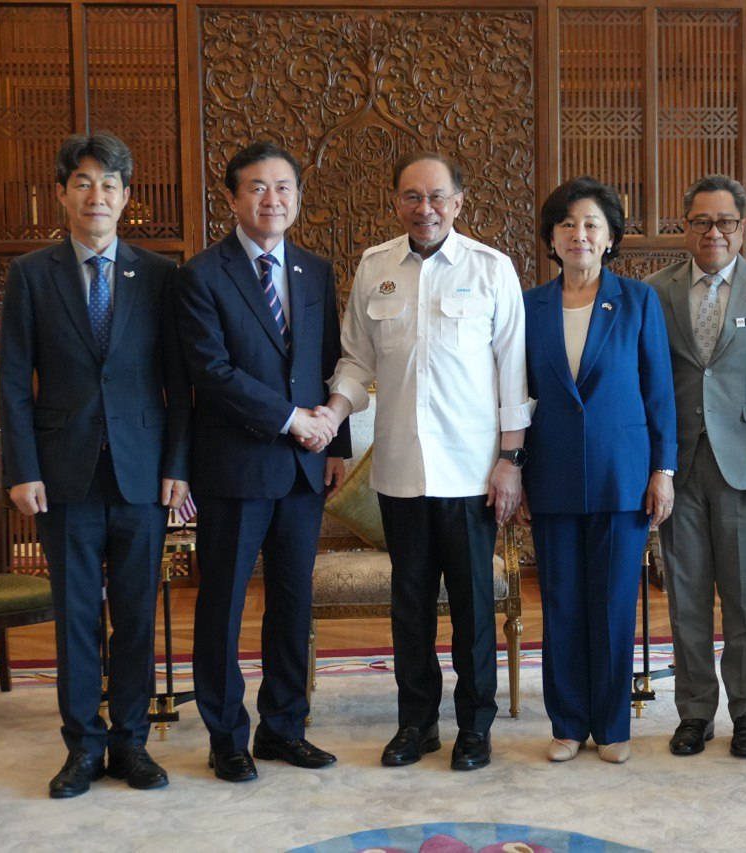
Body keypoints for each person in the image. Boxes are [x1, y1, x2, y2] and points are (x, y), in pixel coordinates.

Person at [320, 151, 532, 772]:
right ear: (396, 203)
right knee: (409, 608)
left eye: (437, 196)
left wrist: (509, 460)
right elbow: (356, 360)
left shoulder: (492, 270)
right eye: (413, 196)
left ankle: (474, 728)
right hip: (401, 474)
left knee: (471, 611)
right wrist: (334, 413)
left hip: (471, 475)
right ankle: (416, 724)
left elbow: (512, 372)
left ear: (459, 203)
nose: (425, 208)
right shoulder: (374, 268)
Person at [0, 131, 191, 798]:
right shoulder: (30, 274)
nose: (97, 195)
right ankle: (82, 747)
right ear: (62, 193)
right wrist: (22, 469)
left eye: (110, 184)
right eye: (83, 182)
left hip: (140, 473)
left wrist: (177, 464)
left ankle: (131, 742)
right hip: (63, 476)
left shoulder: (161, 275)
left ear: (127, 197)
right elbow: (13, 382)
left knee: (136, 614)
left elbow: (179, 381)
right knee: (77, 615)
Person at [175, 141, 350, 783]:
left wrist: (335, 446)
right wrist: (289, 419)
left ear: (298, 198)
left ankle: (284, 728)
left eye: (283, 187)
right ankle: (226, 736)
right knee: (221, 604)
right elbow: (211, 371)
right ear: (232, 198)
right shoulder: (200, 275)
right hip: (234, 466)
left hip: (305, 469)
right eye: (257, 187)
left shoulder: (314, 270)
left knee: (291, 604)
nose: (272, 199)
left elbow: (331, 361)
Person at [644, 175, 746, 759]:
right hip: (678, 465)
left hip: (744, 465)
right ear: (684, 225)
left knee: (745, 599)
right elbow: (648, 384)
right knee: (685, 597)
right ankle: (694, 713)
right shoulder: (655, 291)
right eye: (701, 222)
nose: (713, 232)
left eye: (725, 223)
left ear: (743, 227)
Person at [518, 176, 677, 765]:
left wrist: (663, 468)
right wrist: (514, 468)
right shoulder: (528, 304)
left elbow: (659, 392)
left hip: (622, 474)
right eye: (566, 225)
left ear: (609, 237)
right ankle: (567, 723)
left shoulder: (637, 300)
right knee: (560, 602)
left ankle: (611, 726)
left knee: (612, 604)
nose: (578, 235)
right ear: (551, 238)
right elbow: (514, 393)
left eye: (591, 225)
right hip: (551, 472)